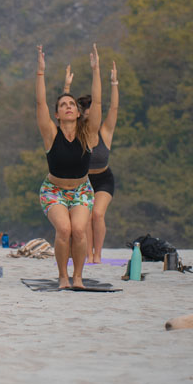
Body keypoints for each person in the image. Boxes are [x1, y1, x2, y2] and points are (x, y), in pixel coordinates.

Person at [35, 44, 101, 289]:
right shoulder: (51, 134)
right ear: (57, 115)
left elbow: (99, 103)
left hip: (82, 190)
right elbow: (40, 103)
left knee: (80, 231)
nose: (69, 106)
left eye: (72, 104)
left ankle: (78, 277)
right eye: (63, 105)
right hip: (53, 190)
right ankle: (63, 276)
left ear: (78, 111)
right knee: (64, 229)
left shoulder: (88, 133)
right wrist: (41, 73)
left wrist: (96, 71)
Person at [63, 61, 119, 263]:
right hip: (83, 180)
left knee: (97, 214)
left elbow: (113, 107)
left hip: (104, 178)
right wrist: (67, 87)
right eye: (84, 112)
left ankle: (97, 255)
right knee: (84, 218)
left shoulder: (105, 132)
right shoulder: (75, 133)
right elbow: (64, 111)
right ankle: (86, 254)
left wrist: (114, 84)